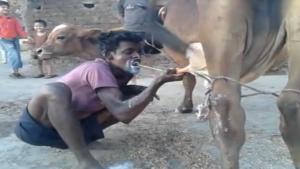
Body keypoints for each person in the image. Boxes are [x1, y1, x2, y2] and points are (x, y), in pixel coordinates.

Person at [15, 30, 184, 169]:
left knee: (133, 96)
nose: (136, 56)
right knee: (53, 90)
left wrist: (137, 91)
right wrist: (157, 83)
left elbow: (126, 115)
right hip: (36, 129)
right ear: (109, 56)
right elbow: (122, 113)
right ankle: (85, 161)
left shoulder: (122, 73)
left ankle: (83, 139)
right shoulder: (97, 67)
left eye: (139, 51)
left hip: (65, 136)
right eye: (128, 52)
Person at [0, 1, 27, 78]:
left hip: (15, 39)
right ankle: (14, 71)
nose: (6, 9)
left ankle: (16, 72)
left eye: (7, 7)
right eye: (3, 7)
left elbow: (18, 29)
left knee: (17, 55)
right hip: (4, 40)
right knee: (13, 54)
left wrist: (25, 36)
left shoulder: (12, 19)